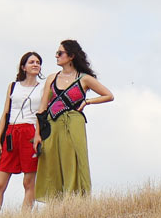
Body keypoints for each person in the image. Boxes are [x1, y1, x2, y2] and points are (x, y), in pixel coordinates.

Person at [35, 41, 115, 200]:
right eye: (57, 53)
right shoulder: (52, 78)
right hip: (52, 123)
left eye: (60, 53)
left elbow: (109, 95)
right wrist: (37, 133)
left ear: (71, 56)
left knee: (73, 160)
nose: (57, 56)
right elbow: (42, 108)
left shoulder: (84, 78)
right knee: (51, 162)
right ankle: (54, 201)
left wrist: (87, 102)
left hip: (73, 122)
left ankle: (74, 200)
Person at [0, 51, 43, 217]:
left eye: (38, 62)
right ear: (23, 66)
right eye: (31, 62)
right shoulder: (13, 86)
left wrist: (39, 136)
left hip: (31, 131)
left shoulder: (43, 87)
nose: (35, 64)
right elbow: (5, 113)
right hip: (12, 131)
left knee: (28, 182)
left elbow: (42, 113)